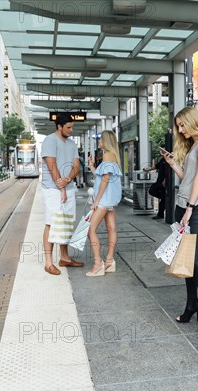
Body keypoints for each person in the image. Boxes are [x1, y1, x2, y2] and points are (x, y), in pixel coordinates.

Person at [161, 107, 198, 341]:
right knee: (185, 258)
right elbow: (190, 179)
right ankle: (192, 304)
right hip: (184, 205)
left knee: (197, 261)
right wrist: (174, 165)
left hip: (197, 206)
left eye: (183, 125)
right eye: (178, 126)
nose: (180, 130)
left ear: (193, 121)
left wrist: (191, 209)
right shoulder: (194, 144)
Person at [41, 113, 85, 275]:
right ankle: (48, 263)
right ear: (59, 127)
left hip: (68, 187)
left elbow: (76, 166)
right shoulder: (50, 140)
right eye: (68, 127)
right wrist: (61, 188)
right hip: (52, 189)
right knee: (51, 223)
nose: (71, 130)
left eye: (72, 127)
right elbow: (51, 165)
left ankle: (65, 258)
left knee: (65, 222)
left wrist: (67, 180)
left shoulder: (72, 143)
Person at [85, 130, 123, 277]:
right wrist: (92, 167)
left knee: (91, 230)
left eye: (100, 139)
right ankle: (109, 261)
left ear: (106, 141)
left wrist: (97, 200)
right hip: (110, 200)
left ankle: (97, 264)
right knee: (111, 228)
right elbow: (102, 177)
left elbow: (105, 180)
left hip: (104, 200)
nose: (98, 142)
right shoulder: (112, 156)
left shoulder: (107, 155)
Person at [143, 155, 168, 219]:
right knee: (152, 190)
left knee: (163, 199)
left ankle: (160, 214)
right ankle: (167, 199)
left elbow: (169, 171)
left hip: (164, 182)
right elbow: (156, 166)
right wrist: (148, 170)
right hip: (159, 181)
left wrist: (165, 179)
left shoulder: (169, 159)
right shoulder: (163, 159)